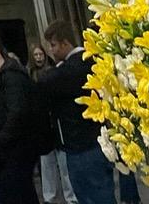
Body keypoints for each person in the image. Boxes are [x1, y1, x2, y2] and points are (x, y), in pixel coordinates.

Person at [38, 20, 115, 204]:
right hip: (94, 141)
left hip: (81, 145)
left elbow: (45, 83)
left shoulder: (73, 67)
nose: (51, 51)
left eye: (54, 45)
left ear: (66, 43)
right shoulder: (88, 61)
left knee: (92, 196)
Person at [0, 32, 40, 204]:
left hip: (14, 151)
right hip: (8, 152)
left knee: (18, 195)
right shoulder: (0, 77)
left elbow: (17, 112)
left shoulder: (11, 75)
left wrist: (0, 142)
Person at [29, 43, 77, 204]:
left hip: (56, 122)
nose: (38, 58)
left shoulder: (53, 71)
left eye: (40, 54)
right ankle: (49, 196)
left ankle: (70, 196)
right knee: (47, 164)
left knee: (64, 164)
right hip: (42, 125)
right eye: (35, 55)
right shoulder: (30, 75)